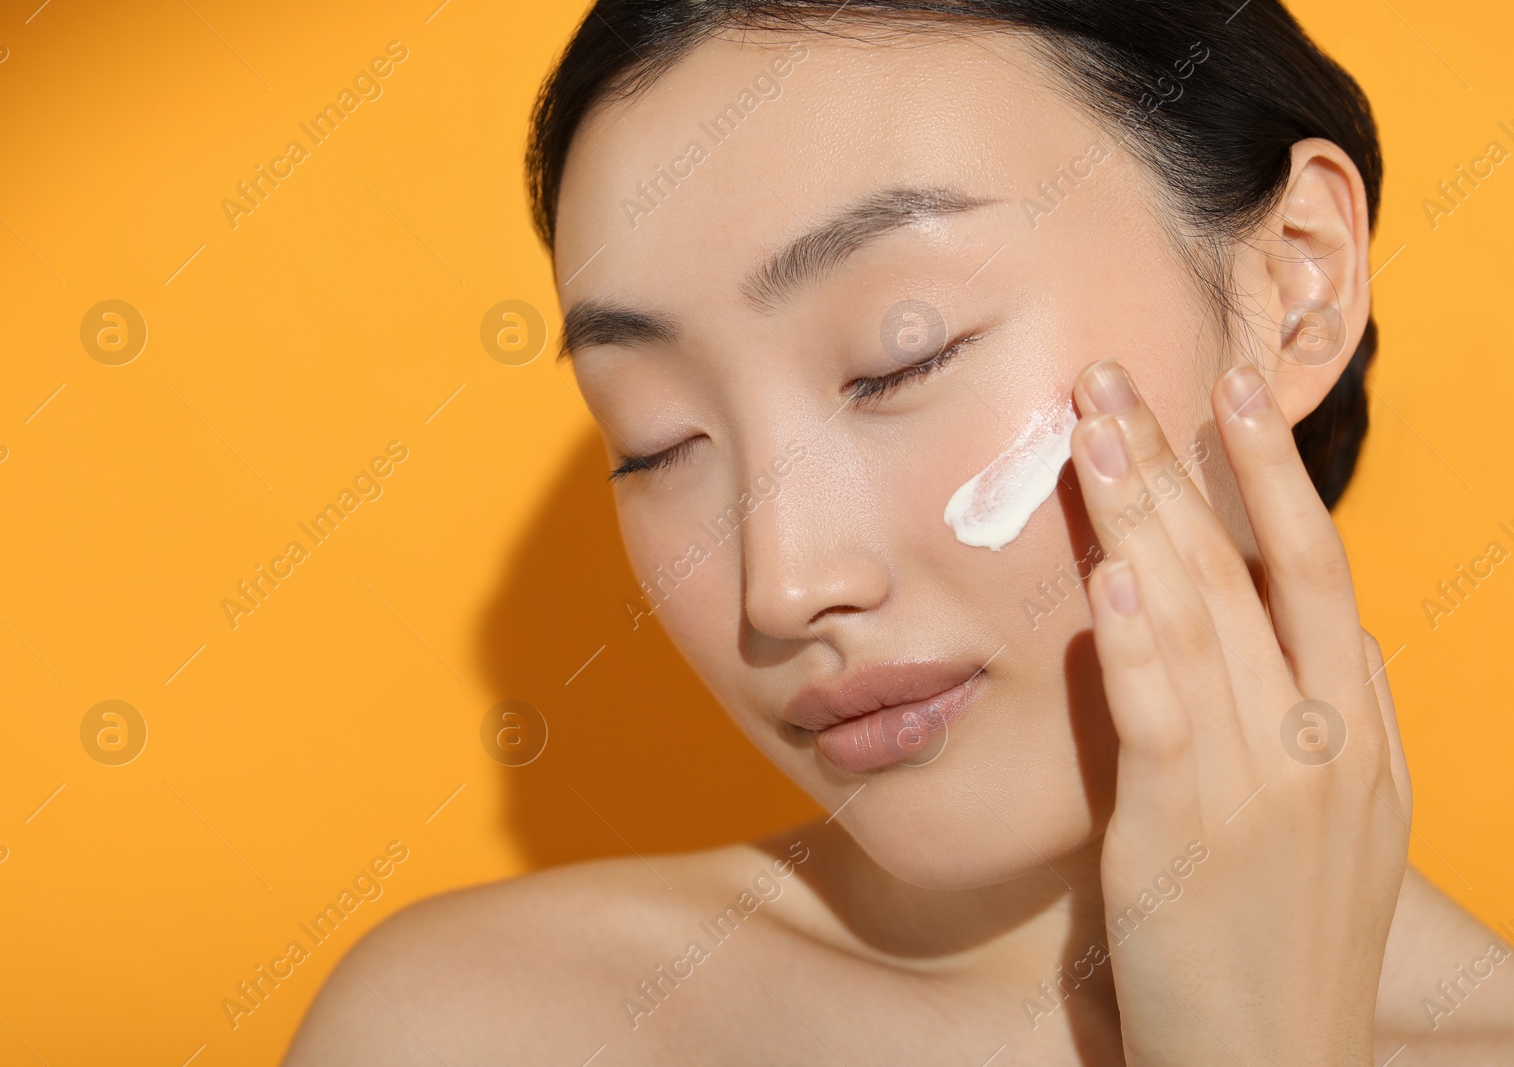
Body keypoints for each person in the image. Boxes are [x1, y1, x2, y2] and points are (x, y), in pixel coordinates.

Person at [286, 2, 1514, 1061]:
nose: (785, 583)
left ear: (1291, 285)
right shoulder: (497, 1026)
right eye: (654, 439)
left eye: (900, 354)